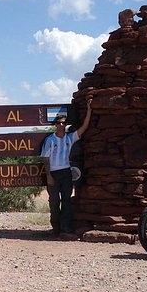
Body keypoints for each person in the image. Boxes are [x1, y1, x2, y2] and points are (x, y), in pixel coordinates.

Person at [41, 96, 93, 239]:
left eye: (63, 123)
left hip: (66, 172)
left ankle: (65, 228)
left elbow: (84, 128)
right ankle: (55, 228)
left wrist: (89, 110)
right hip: (54, 173)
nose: (61, 125)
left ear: (65, 124)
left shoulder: (69, 138)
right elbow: (45, 158)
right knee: (54, 202)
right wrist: (48, 175)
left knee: (66, 201)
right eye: (58, 123)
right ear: (55, 125)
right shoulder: (50, 140)